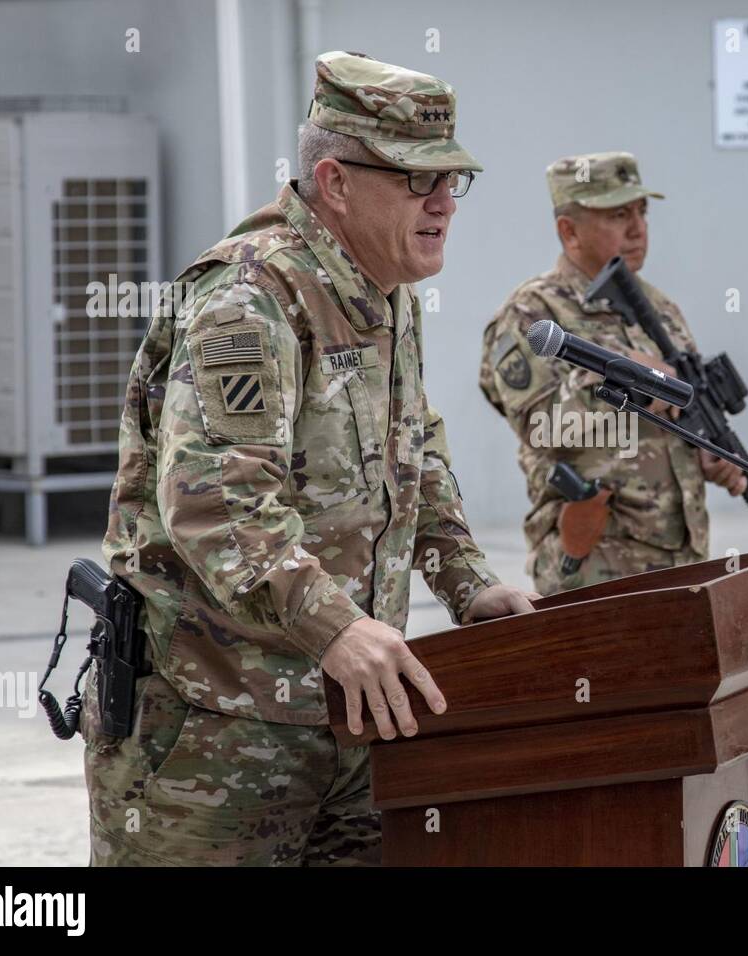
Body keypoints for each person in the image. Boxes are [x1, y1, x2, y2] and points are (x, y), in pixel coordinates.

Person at [84, 51, 537, 866]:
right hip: (214, 733)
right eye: (415, 181)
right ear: (335, 182)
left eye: (451, 182)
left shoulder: (385, 291)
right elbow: (218, 505)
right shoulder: (249, 301)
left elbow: (415, 456)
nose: (443, 204)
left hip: (350, 718)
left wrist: (470, 584)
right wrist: (336, 630)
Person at [479, 151, 746, 595]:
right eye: (618, 214)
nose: (637, 227)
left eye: (641, 211)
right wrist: (628, 379)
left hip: (681, 558)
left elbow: (680, 408)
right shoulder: (532, 313)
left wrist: (709, 451)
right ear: (569, 231)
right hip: (595, 561)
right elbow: (539, 424)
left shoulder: (659, 308)